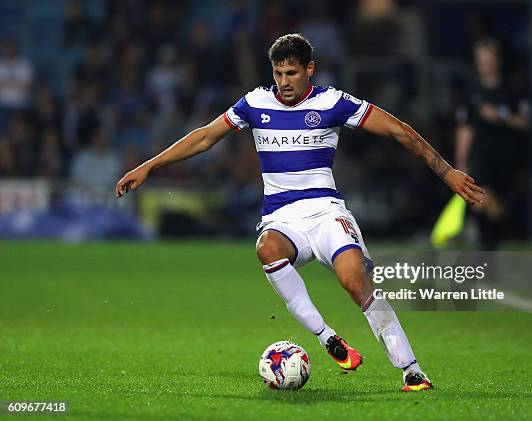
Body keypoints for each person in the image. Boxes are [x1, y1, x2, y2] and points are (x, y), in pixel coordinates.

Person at [116, 34, 484, 392]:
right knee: (266, 248)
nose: (283, 82)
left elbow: (399, 132)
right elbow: (204, 136)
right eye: (277, 73)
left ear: (310, 69)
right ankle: (329, 340)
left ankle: (411, 370)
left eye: (291, 73)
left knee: (355, 282)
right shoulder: (255, 103)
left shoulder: (333, 103)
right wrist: (150, 165)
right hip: (281, 219)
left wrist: (446, 171)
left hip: (326, 213)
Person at [455, 38, 530, 249]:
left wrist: (501, 117)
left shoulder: (513, 91)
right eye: (481, 61)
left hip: (508, 160)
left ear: (497, 61)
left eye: (488, 61)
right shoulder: (472, 94)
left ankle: (487, 251)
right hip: (481, 159)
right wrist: (460, 161)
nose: (484, 66)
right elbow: (465, 129)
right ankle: (484, 252)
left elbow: (527, 123)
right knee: (484, 204)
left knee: (497, 211)